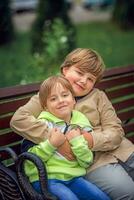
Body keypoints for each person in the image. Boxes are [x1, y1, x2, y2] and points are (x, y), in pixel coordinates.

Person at [10, 48, 134, 199]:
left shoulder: (99, 96)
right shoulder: (47, 97)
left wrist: (89, 139)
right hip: (92, 162)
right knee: (128, 191)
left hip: (123, 150)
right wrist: (59, 140)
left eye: (90, 79)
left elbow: (115, 131)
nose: (83, 81)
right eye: (80, 73)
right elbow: (18, 120)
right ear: (65, 69)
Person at [22, 75, 110, 200]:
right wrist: (51, 144)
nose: (61, 100)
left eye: (65, 95)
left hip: (74, 178)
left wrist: (77, 141)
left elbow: (86, 161)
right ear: (45, 106)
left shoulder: (81, 123)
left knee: (101, 198)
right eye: (53, 99)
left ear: (73, 100)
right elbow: (28, 163)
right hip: (46, 179)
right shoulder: (42, 125)